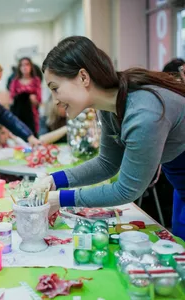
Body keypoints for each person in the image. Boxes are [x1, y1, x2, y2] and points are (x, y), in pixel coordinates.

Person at [42, 36, 185, 241]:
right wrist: (54, 180)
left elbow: (127, 190)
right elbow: (107, 163)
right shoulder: (111, 106)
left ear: (83, 77)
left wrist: (61, 198)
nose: (55, 100)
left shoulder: (143, 113)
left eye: (55, 88)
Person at [9, 57, 42, 135]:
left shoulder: (36, 81)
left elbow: (39, 101)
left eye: (27, 64)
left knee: (32, 134)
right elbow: (11, 101)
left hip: (32, 115)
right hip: (18, 114)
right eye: (22, 65)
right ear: (19, 67)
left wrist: (33, 99)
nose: (25, 67)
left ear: (31, 66)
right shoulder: (15, 82)